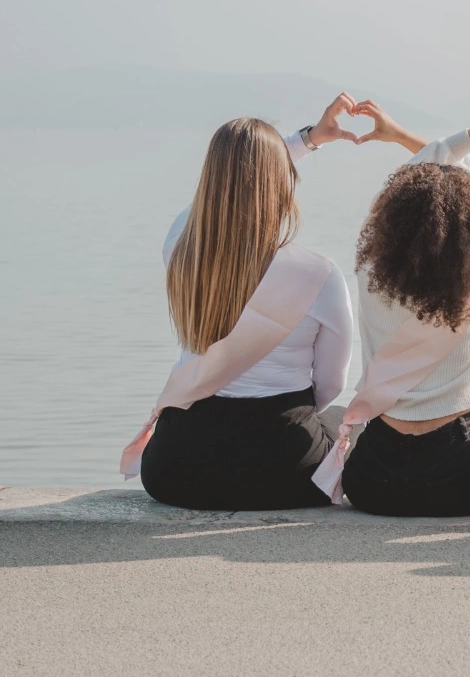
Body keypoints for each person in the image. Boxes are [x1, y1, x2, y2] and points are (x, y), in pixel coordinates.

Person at [125, 94, 361, 510]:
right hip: (286, 471)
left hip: (176, 470)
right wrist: (304, 143)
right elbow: (329, 384)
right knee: (348, 422)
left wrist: (302, 142)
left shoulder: (181, 248)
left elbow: (208, 205)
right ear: (280, 184)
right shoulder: (318, 276)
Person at [314, 94, 470, 518]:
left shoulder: (371, 271)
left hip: (374, 480)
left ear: (386, 221)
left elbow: (430, 174)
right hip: (465, 476)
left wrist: (406, 139)